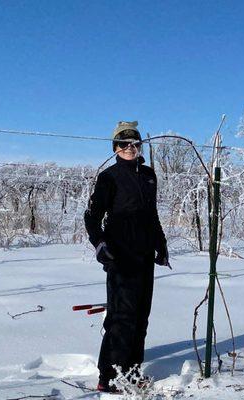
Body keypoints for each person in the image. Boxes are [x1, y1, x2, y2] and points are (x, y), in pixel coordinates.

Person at [84, 121, 169, 392]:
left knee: (142, 315)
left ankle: (132, 371)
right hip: (120, 256)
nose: (129, 148)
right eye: (123, 144)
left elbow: (152, 215)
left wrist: (161, 244)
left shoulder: (148, 175)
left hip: (144, 255)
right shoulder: (109, 178)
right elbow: (92, 217)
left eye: (133, 143)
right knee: (122, 317)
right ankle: (109, 377)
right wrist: (100, 246)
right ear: (115, 148)